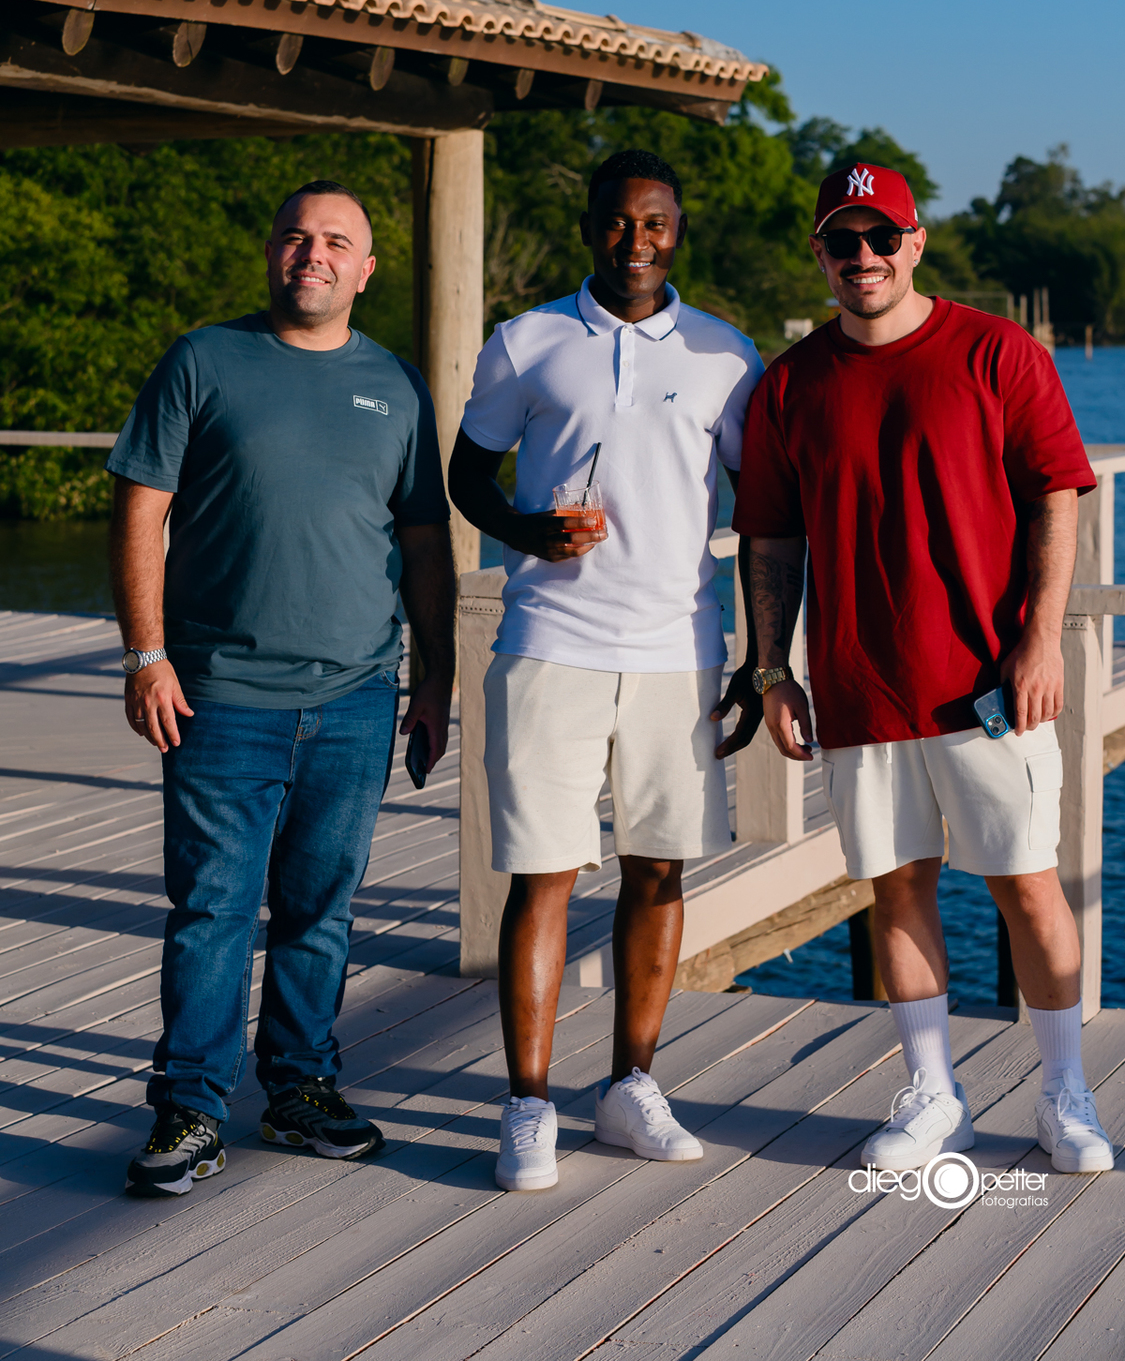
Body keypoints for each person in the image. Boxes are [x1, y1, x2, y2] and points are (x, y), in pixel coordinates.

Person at [734, 161, 1115, 1175]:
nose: (862, 256)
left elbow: (1056, 496)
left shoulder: (997, 352)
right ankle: (934, 1094)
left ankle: (1064, 1093)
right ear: (820, 253)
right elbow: (770, 541)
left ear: (915, 242)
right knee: (897, 889)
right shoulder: (789, 385)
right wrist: (772, 670)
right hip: (857, 687)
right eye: (842, 240)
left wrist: (1040, 638)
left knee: (1028, 886)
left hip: (988, 685)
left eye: (880, 237)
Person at [109, 179, 456, 1198]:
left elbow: (424, 541)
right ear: (272, 252)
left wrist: (434, 677)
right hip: (217, 694)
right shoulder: (203, 359)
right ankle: (191, 1109)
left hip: (356, 696)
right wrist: (145, 655)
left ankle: (299, 1089)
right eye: (298, 237)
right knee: (212, 909)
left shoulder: (395, 385)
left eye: (337, 242)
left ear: (366, 269)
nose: (315, 254)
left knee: (319, 909)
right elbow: (141, 508)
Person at [449, 149, 765, 1192]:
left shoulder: (727, 356)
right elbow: (466, 475)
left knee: (659, 870)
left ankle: (632, 1086)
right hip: (551, 644)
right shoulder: (527, 341)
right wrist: (525, 531)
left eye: (656, 223)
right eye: (620, 222)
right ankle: (528, 1103)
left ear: (679, 233)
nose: (638, 241)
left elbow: (764, 510)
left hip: (680, 650)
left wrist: (762, 657)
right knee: (542, 874)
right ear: (590, 229)